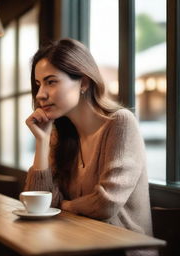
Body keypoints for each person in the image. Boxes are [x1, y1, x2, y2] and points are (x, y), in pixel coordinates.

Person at [24, 38, 156, 256]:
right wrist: (42, 141)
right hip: (76, 245)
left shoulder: (120, 123)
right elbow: (39, 204)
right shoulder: (60, 134)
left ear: (83, 83)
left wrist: (64, 205)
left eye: (51, 82)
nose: (40, 95)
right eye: (38, 84)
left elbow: (105, 204)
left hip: (123, 251)